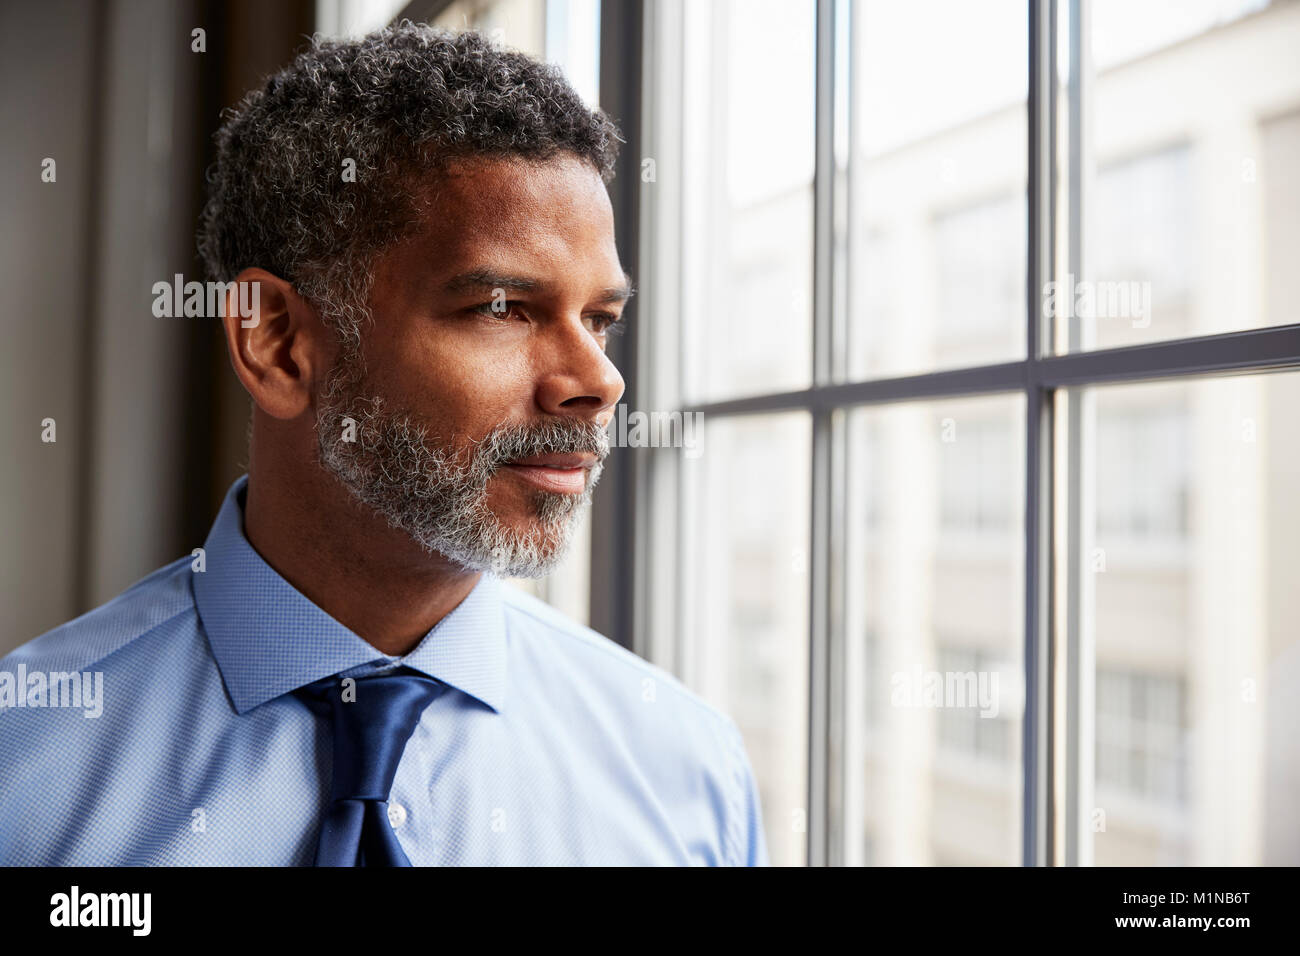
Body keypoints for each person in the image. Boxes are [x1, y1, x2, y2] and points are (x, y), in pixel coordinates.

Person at [0, 22, 768, 867]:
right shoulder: (24, 766)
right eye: (503, 308)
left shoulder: (689, 779)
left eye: (600, 320)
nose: (601, 383)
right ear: (280, 342)